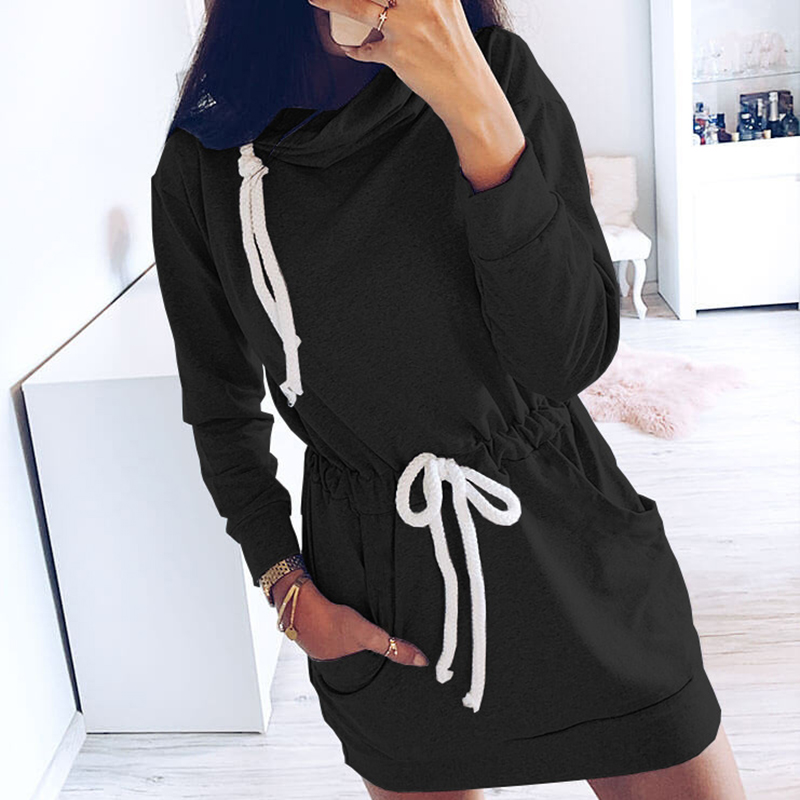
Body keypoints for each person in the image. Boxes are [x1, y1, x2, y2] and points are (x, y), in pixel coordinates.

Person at [150, 1, 747, 797]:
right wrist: (285, 584)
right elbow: (220, 406)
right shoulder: (204, 162)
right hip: (382, 600)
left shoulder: (496, 74)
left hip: (574, 552)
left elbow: (570, 355)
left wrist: (470, 100)